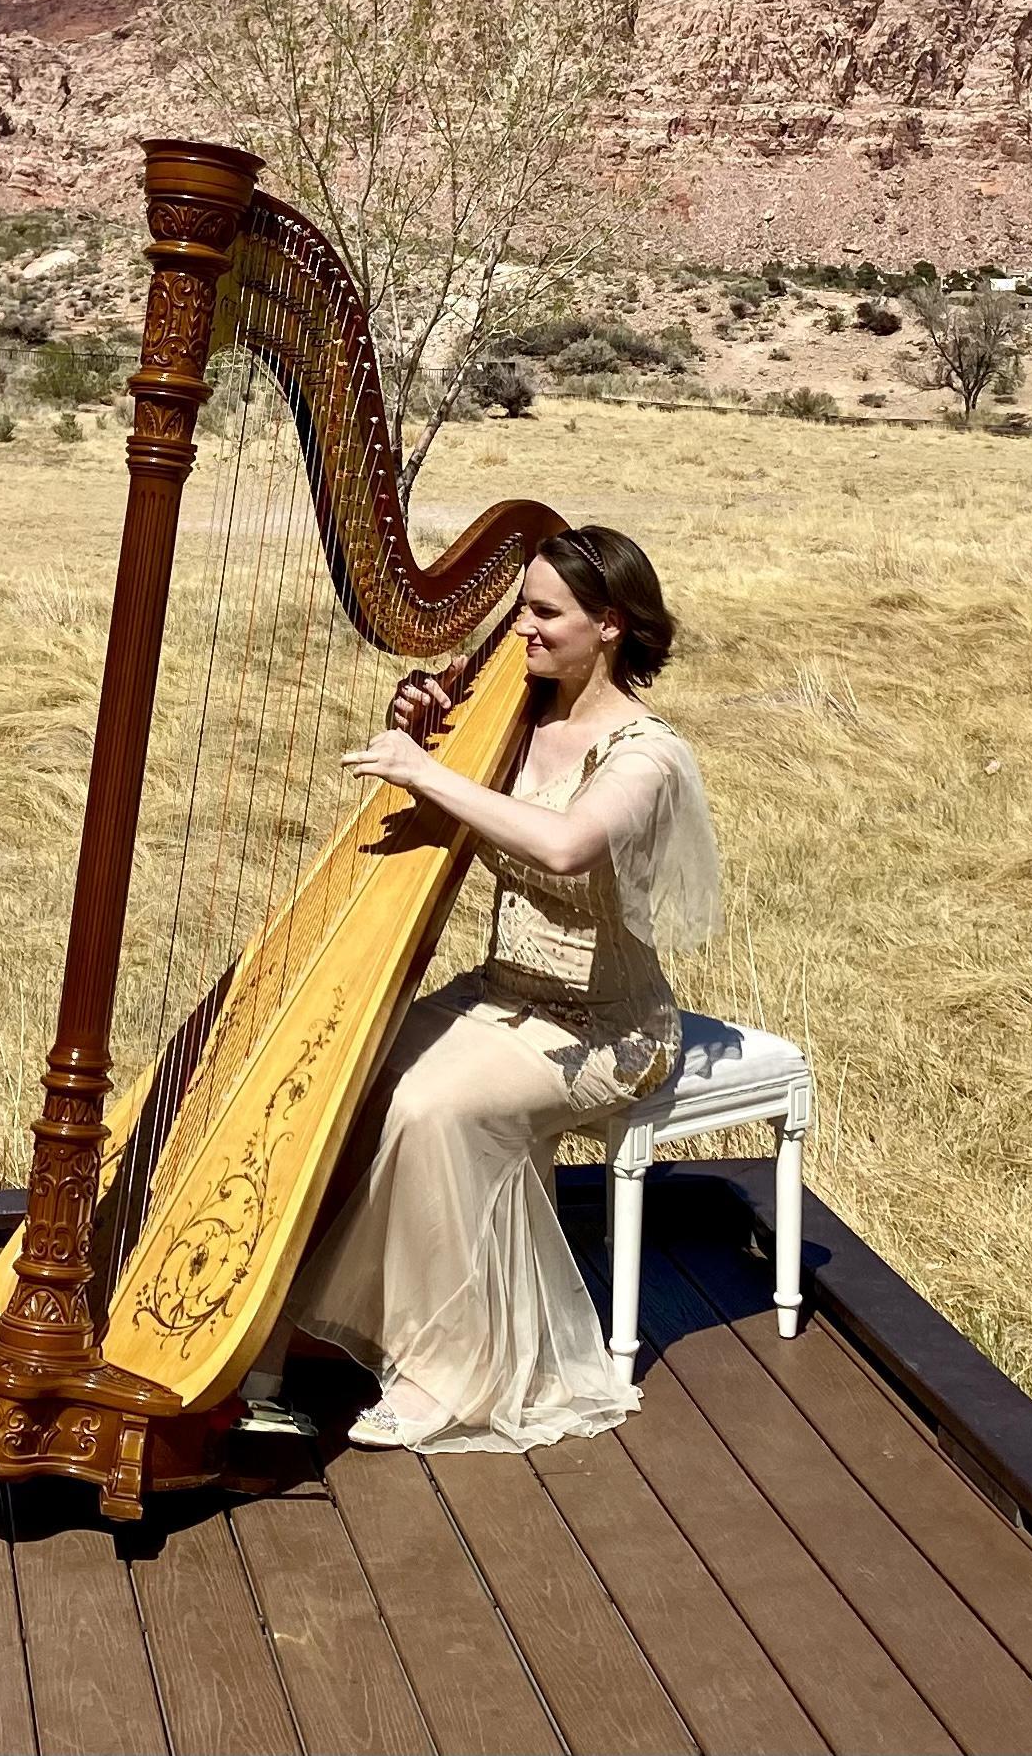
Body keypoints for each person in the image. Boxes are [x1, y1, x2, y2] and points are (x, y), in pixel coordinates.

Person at [244, 524, 722, 1453]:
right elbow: (451, 799)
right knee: (333, 1072)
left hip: (606, 1028)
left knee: (430, 1104)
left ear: (610, 625)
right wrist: (427, 725)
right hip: (501, 992)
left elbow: (565, 845)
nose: (521, 630)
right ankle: (277, 1340)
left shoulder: (644, 752)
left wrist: (429, 770)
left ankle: (449, 1367)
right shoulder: (512, 715)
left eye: (545, 613)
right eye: (519, 610)